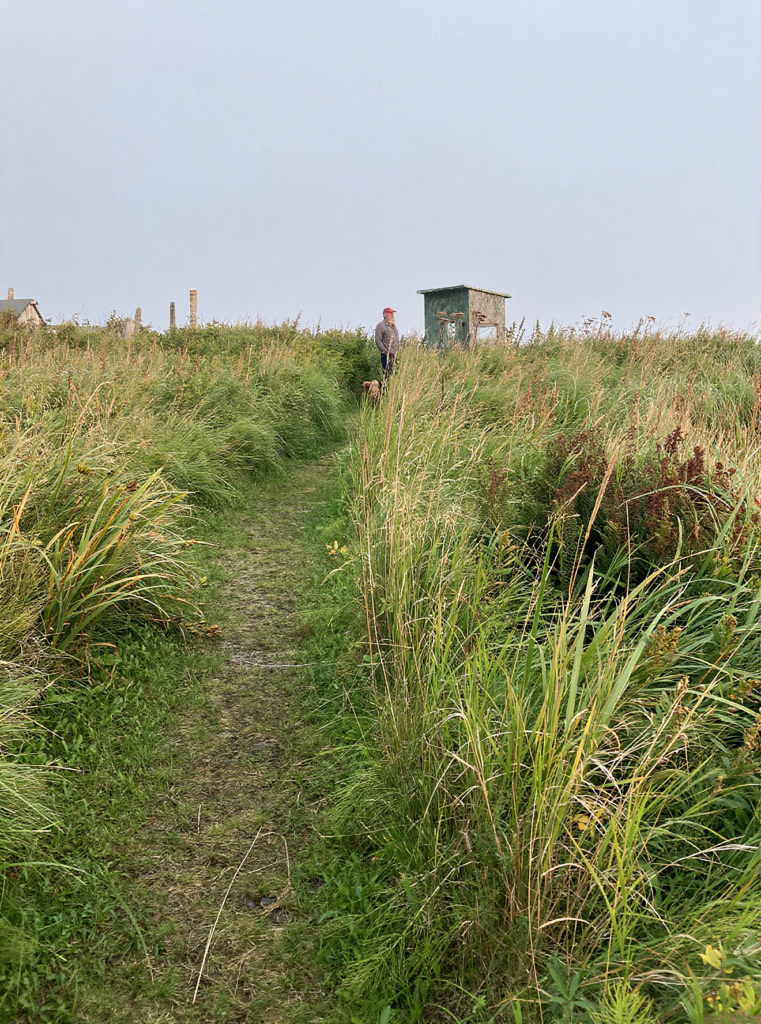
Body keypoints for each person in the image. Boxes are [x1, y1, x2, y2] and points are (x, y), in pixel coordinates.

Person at [375, 307, 400, 380]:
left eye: (392, 314)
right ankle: (386, 390)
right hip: (386, 355)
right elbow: (378, 340)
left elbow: (397, 339)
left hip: (394, 354)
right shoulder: (380, 326)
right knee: (387, 375)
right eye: (390, 313)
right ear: (385, 314)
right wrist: (385, 352)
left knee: (395, 374)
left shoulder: (393, 326)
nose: (392, 315)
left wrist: (398, 350)